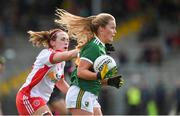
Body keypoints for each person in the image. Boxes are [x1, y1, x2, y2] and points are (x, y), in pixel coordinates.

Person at [55, 9, 124, 115]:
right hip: (81, 94)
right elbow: (81, 72)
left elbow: (95, 78)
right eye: (112, 28)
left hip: (89, 94)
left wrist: (109, 81)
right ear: (101, 29)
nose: (115, 32)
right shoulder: (94, 46)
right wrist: (99, 75)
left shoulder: (100, 47)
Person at [16, 28, 79, 115]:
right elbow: (69, 55)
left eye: (68, 40)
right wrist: (83, 50)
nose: (66, 42)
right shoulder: (47, 54)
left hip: (40, 100)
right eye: (63, 39)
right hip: (29, 97)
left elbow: (59, 83)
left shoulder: (61, 62)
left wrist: (77, 96)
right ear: (52, 42)